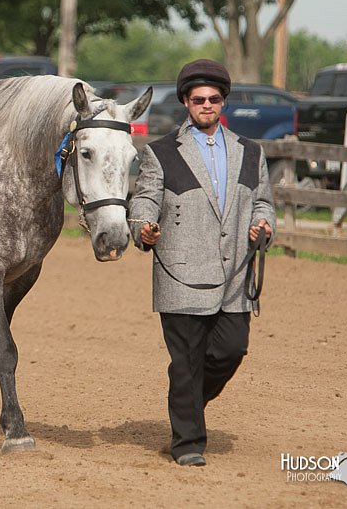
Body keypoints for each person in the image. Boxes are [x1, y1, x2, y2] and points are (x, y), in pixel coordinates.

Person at [129, 59, 275, 467]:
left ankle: (188, 404)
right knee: (185, 361)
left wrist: (264, 223)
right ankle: (188, 442)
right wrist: (143, 225)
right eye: (198, 100)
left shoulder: (251, 152)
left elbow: (262, 200)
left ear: (223, 102)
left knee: (231, 350)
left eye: (213, 99)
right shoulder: (159, 153)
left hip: (235, 276)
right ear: (185, 104)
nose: (206, 105)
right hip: (180, 273)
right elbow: (143, 199)